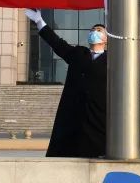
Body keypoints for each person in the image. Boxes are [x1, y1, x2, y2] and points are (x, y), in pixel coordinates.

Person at [25, 9, 107, 158]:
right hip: (73, 116)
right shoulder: (78, 53)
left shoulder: (112, 60)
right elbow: (57, 43)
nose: (94, 32)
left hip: (98, 117)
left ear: (106, 39)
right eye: (92, 30)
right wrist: (39, 21)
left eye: (99, 30)